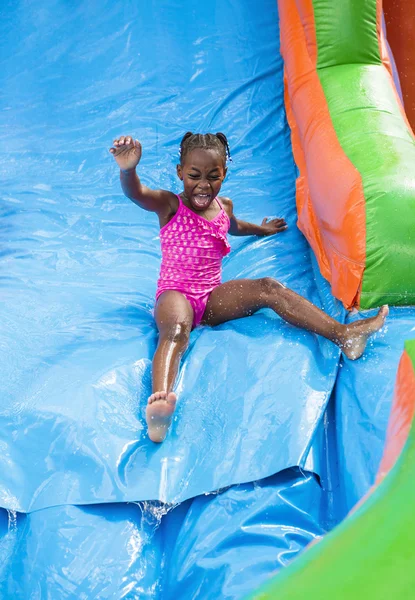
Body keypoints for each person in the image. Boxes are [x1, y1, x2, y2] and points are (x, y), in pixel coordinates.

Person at [110, 132, 388, 443]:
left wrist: (262, 228)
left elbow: (234, 225)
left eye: (213, 176)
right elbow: (137, 193)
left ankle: (344, 334)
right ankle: (160, 405)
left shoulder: (223, 206)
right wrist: (128, 169)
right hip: (176, 294)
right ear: (180, 173)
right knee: (176, 329)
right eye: (194, 176)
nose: (203, 185)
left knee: (268, 287)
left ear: (224, 175)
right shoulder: (170, 204)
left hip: (211, 298)